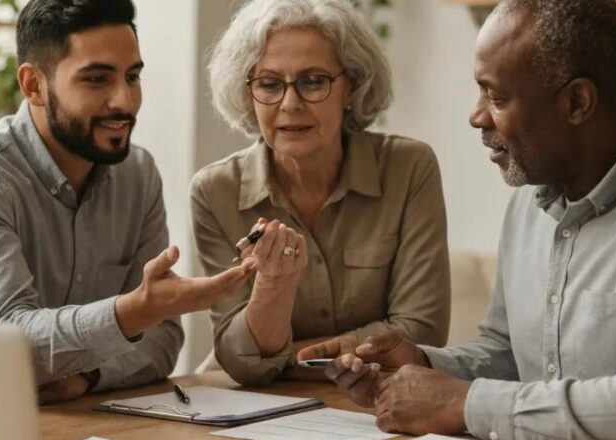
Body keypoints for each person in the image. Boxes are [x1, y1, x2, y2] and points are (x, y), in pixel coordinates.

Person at [305, 0, 616, 438]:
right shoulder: (531, 201)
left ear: (577, 102)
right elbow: (510, 353)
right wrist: (425, 365)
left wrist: (463, 403)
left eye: (496, 96)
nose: (477, 116)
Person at [0, 0, 255, 404]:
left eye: (132, 77)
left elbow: (162, 339)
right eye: (96, 79)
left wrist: (90, 376)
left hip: (83, 417)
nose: (124, 101)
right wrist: (132, 313)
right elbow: (4, 343)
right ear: (33, 85)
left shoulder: (137, 174)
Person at [193, 0, 451, 386]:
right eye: (269, 84)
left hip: (379, 398)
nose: (290, 104)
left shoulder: (409, 168)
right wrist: (274, 286)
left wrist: (285, 358)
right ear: (247, 94)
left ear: (352, 86)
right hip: (262, 406)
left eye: (314, 81)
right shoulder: (215, 192)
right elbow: (241, 363)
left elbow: (422, 331)